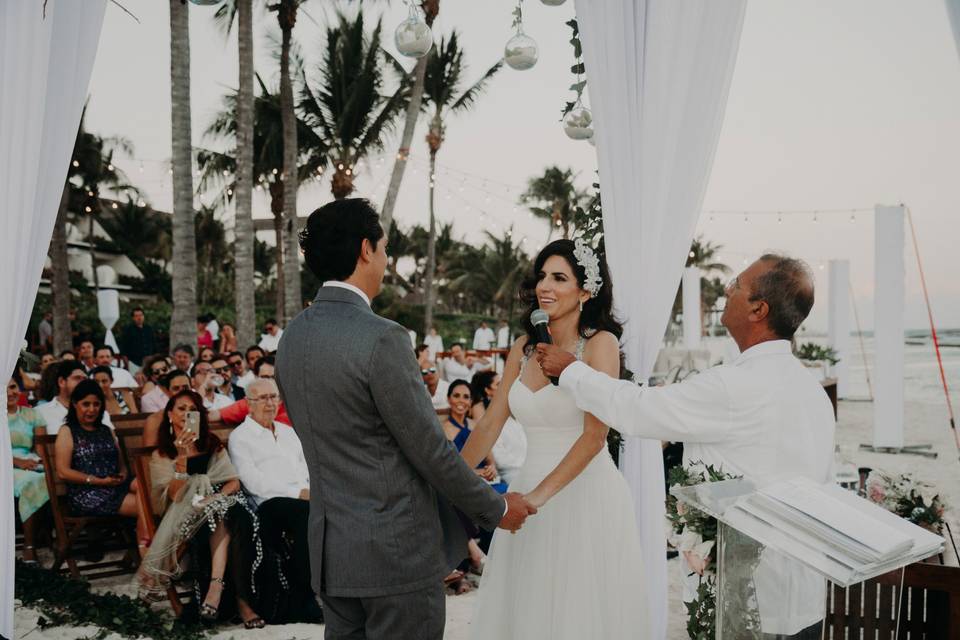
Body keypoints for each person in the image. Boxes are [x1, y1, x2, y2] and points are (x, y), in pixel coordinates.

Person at [537, 253, 835, 640]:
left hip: (744, 600)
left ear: (759, 309)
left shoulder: (732, 386)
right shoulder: (811, 391)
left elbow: (640, 410)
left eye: (736, 287)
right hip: (804, 597)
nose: (726, 293)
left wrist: (571, 370)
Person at [276, 198, 534, 640]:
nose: (385, 258)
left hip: (331, 551)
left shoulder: (292, 337)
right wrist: (495, 507)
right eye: (383, 247)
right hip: (394, 554)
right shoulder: (383, 338)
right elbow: (430, 450)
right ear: (364, 250)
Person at [460, 238, 648, 639]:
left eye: (559, 278)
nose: (545, 286)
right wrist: (453, 479)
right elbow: (491, 423)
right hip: (526, 491)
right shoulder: (523, 349)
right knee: (526, 610)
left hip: (583, 497)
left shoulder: (600, 345)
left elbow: (594, 437)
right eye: (542, 276)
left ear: (585, 291)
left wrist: (536, 499)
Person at [135, 390, 265, 629]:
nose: (187, 414)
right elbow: (173, 497)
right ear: (170, 415)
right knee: (225, 514)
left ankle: (219, 589)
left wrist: (214, 497)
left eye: (192, 410)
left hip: (218, 504)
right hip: (183, 513)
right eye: (181, 409)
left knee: (230, 513)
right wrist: (183, 456)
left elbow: (233, 482)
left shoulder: (211, 444)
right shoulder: (163, 453)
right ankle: (237, 600)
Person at [228, 378, 319, 621]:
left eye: (274, 397)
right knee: (307, 514)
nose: (270, 403)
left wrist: (310, 490)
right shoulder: (241, 437)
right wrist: (297, 493)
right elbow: (252, 481)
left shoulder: (288, 432)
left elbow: (308, 467)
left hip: (303, 499)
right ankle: (302, 598)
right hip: (267, 505)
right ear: (249, 404)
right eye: (263, 398)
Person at [53, 380, 136, 518]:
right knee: (144, 505)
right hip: (87, 493)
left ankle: (146, 537)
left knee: (147, 491)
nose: (92, 409)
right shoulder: (67, 431)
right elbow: (63, 472)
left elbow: (122, 465)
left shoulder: (107, 430)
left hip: (115, 485)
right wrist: (97, 481)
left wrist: (122, 475)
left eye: (96, 404)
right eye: (86, 404)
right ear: (75, 404)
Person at [8, 377, 49, 564]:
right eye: (5, 388)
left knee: (50, 477)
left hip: (30, 461)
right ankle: (29, 544)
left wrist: (41, 463)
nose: (10, 393)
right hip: (5, 465)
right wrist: (16, 461)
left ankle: (50, 534)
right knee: (31, 482)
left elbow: (40, 449)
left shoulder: (33, 415)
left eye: (13, 387)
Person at [471, 370, 527, 487]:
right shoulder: (489, 420)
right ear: (487, 390)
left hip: (528, 468)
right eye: (498, 384)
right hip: (512, 475)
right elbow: (499, 458)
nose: (504, 387)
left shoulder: (512, 417)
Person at [209, 356, 290, 426]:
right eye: (265, 378)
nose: (270, 382)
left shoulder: (294, 400)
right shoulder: (251, 403)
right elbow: (213, 416)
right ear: (256, 378)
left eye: (274, 377)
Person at [37, 360, 113, 434]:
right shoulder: (40, 413)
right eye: (77, 378)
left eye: (84, 379)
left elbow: (112, 441)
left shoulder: (98, 412)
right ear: (61, 382)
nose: (82, 383)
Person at [143, 371, 193, 447]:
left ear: (191, 389)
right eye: (176, 388)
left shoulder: (199, 414)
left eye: (185, 388)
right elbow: (147, 455)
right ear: (168, 392)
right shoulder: (155, 419)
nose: (182, 392)